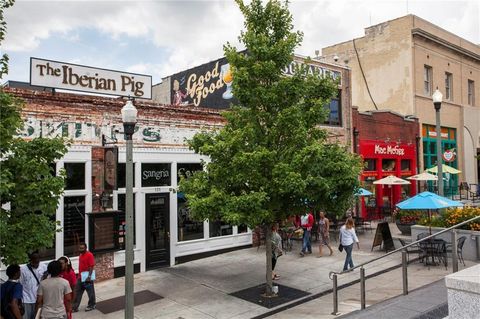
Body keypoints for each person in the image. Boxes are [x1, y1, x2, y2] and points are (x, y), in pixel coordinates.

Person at [20, 252, 47, 319]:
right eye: (34, 263)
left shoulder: (44, 267)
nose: (36, 265)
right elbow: (21, 284)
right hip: (27, 299)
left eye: (37, 263)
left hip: (39, 299)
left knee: (37, 317)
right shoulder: (23, 269)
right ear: (30, 260)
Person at [72, 243, 96, 312]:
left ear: (86, 248)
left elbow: (91, 266)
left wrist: (89, 276)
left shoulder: (89, 255)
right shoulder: (81, 255)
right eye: (80, 248)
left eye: (82, 248)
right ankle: (75, 307)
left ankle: (92, 305)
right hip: (80, 277)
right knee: (77, 292)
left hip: (87, 276)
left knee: (90, 292)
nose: (81, 249)